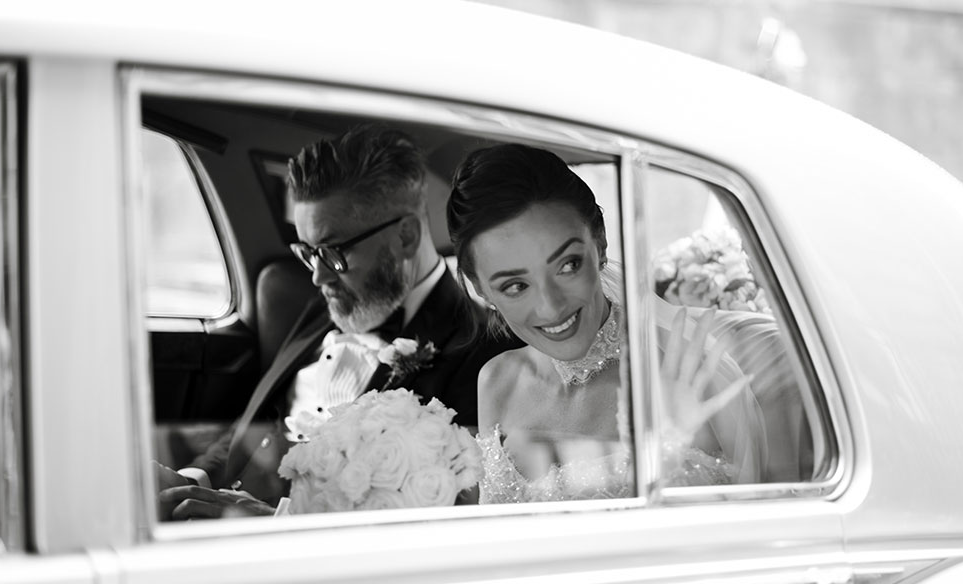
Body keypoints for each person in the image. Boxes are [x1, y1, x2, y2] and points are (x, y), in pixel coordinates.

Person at [156, 123, 514, 519]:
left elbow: (434, 522)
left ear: (407, 236)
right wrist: (191, 481)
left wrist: (272, 523)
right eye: (308, 252)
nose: (318, 276)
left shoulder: (485, 354)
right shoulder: (320, 306)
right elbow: (263, 422)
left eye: (334, 253)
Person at [446, 144, 765, 503]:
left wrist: (673, 454)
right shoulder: (496, 381)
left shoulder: (678, 372)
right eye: (516, 286)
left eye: (568, 265)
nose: (551, 307)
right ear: (481, 290)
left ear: (599, 244)